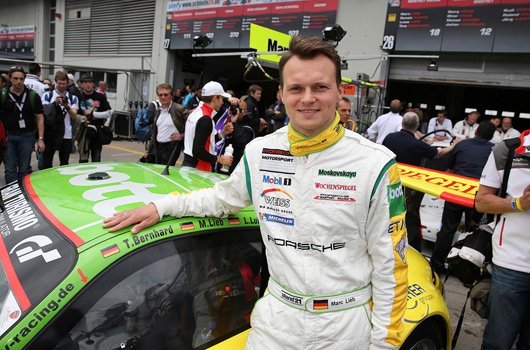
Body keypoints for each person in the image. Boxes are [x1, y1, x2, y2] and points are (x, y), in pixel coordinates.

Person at [104, 36, 408, 350]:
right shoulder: (261, 152)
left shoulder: (376, 165)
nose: (307, 98)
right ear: (281, 94)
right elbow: (221, 199)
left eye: (320, 87)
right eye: (296, 88)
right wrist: (161, 206)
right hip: (275, 322)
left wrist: (384, 346)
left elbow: (392, 269)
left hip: (344, 328)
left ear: (339, 92)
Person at [475, 130, 530, 350]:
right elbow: (481, 202)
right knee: (498, 342)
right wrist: (519, 204)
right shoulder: (506, 150)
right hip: (511, 263)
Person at [383, 111, 457, 251]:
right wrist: (455, 146)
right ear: (417, 126)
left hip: (388, 182)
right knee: (410, 215)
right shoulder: (416, 144)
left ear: (402, 123)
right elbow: (438, 154)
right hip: (408, 189)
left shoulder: (390, 137)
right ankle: (409, 244)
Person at [430, 121, 496, 274]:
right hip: (478, 196)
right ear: (492, 136)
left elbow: (450, 170)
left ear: (476, 131)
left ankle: (436, 265)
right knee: (476, 231)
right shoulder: (494, 151)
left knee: (447, 229)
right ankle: (469, 271)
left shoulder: (462, 145)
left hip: (456, 192)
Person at [0, 66, 45, 183]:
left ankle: (24, 196)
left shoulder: (32, 96)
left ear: (24, 79)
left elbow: (40, 118)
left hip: (27, 136)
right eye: (15, 78)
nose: (18, 81)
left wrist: (40, 139)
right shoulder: (3, 94)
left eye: (21, 78)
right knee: (10, 169)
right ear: (10, 79)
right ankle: (10, 198)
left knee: (24, 169)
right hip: (8, 137)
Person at [181, 81, 234, 172]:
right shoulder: (206, 118)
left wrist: (223, 133)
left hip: (190, 165)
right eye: (221, 98)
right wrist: (220, 159)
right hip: (198, 169)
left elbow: (206, 141)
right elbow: (198, 151)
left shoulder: (196, 112)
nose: (222, 102)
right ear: (215, 98)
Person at [41, 71, 79, 168]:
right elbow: (44, 113)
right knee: (47, 163)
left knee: (64, 164)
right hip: (50, 133)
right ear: (56, 82)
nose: (61, 86)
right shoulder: (47, 95)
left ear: (67, 83)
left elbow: (74, 116)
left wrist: (67, 106)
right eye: (59, 83)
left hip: (66, 134)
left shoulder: (73, 98)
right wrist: (55, 104)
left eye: (64, 83)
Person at [145, 83, 189, 165]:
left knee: (165, 170)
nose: (163, 97)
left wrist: (182, 136)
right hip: (158, 146)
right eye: (160, 95)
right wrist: (148, 150)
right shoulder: (158, 111)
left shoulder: (179, 109)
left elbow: (194, 124)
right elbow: (155, 132)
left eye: (166, 95)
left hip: (171, 146)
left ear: (171, 95)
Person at [77, 73, 112, 162]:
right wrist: (82, 120)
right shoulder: (78, 97)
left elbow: (108, 113)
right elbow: (74, 114)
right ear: (81, 84)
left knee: (96, 159)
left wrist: (94, 115)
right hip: (83, 130)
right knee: (82, 159)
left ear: (93, 84)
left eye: (90, 82)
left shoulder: (99, 97)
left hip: (97, 131)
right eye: (85, 82)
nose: (88, 84)